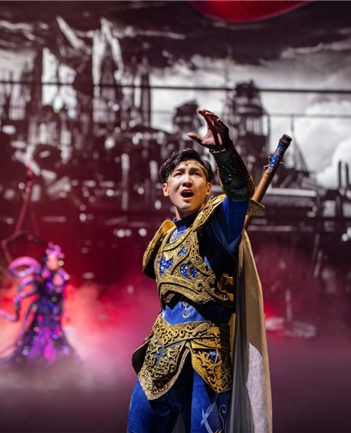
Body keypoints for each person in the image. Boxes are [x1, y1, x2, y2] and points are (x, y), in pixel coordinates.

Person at [127, 109, 272, 433]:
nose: (187, 179)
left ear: (208, 188)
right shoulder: (164, 238)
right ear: (166, 188)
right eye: (179, 173)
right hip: (157, 358)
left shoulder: (219, 226)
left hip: (206, 363)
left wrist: (223, 151)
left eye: (195, 173)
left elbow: (240, 193)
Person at [0, 243, 76, 369]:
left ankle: (61, 363)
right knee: (36, 336)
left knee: (56, 336)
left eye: (54, 260)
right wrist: (21, 296)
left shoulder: (61, 277)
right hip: (41, 311)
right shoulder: (42, 275)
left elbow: (61, 296)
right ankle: (31, 363)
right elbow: (34, 289)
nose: (51, 263)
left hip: (53, 313)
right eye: (49, 260)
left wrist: (64, 311)